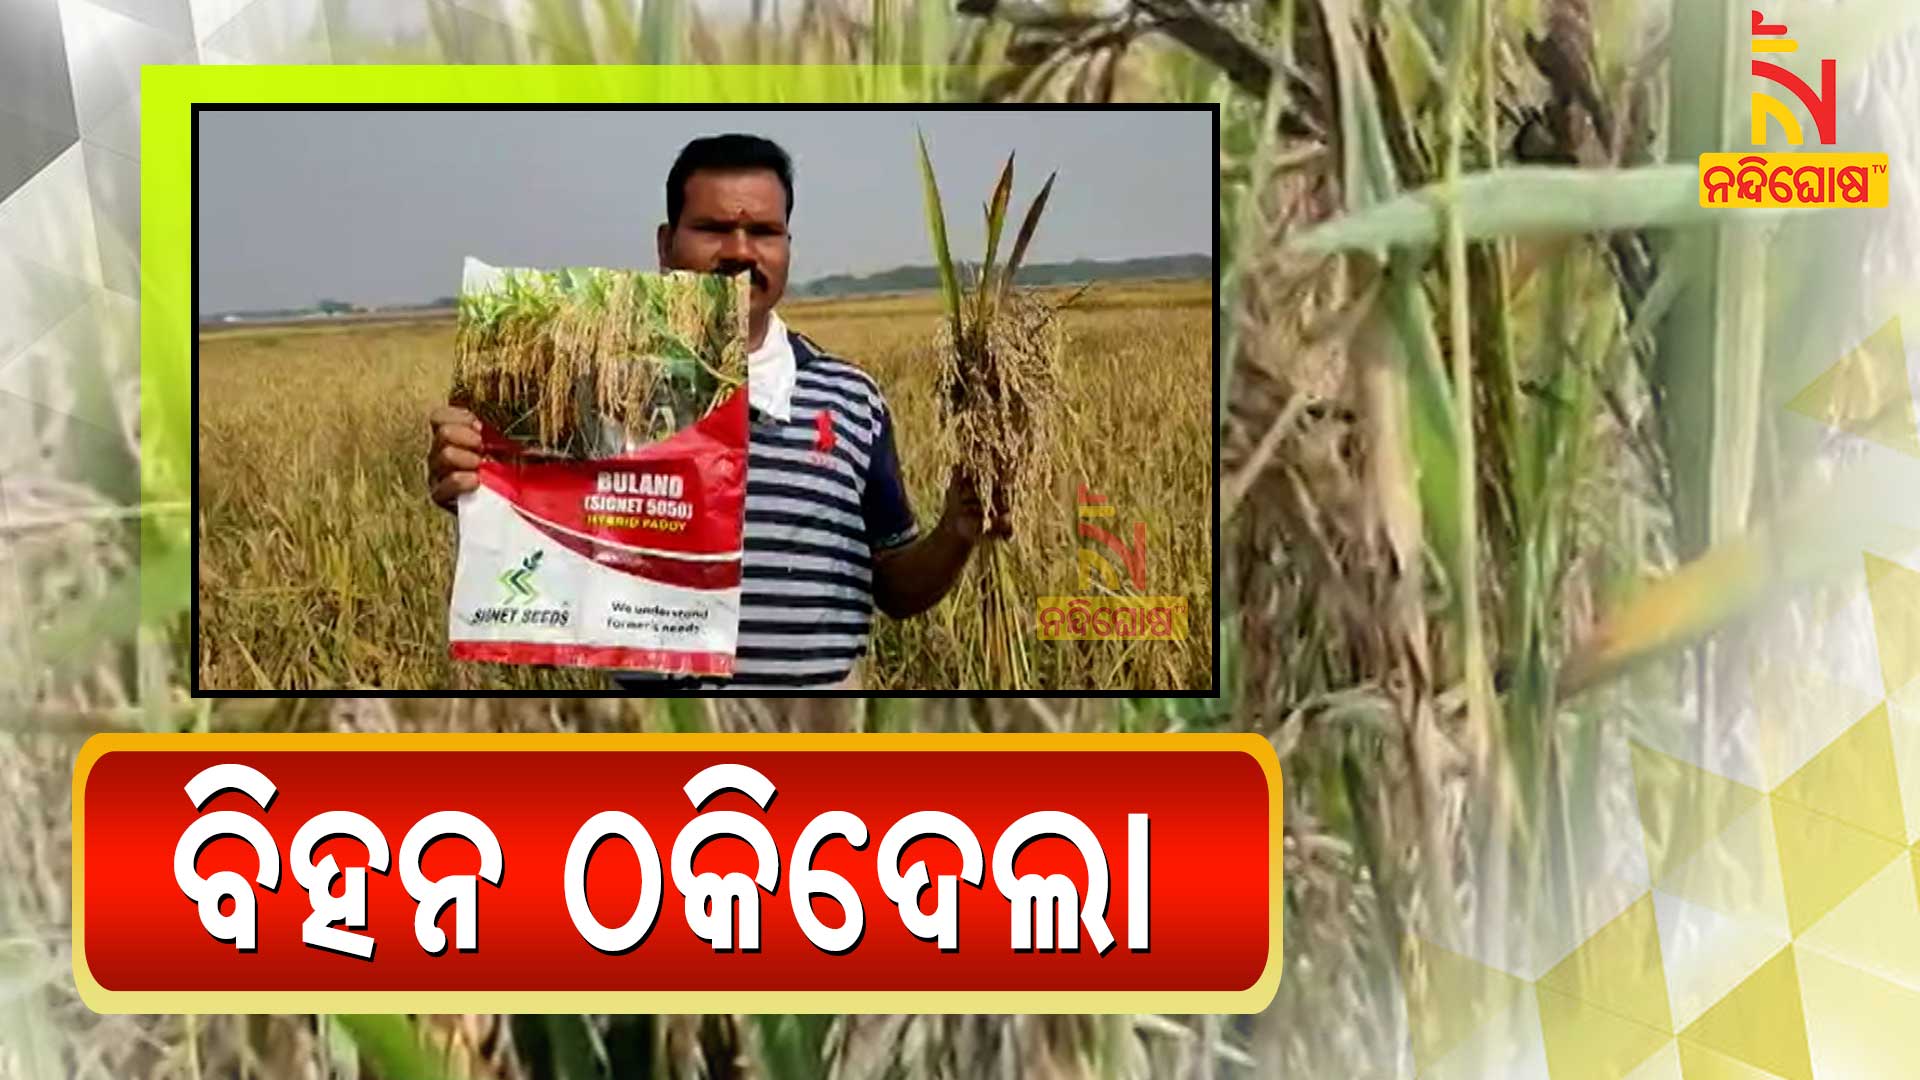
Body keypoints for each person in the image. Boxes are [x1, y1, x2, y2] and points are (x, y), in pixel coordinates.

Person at [426, 133, 1006, 690]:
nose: (739, 251)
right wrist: (480, 486)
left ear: (786, 246)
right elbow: (542, 551)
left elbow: (896, 589)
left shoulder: (850, 399)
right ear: (665, 244)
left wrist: (955, 533)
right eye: (711, 228)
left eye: (763, 230)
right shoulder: (593, 391)